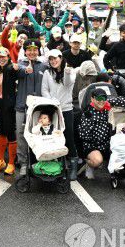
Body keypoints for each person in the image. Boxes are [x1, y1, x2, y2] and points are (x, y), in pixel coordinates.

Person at [41, 48, 78, 180]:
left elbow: (68, 84)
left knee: (68, 136)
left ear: (61, 58)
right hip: (52, 109)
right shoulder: (47, 73)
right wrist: (51, 101)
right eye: (51, 59)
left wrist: (66, 72)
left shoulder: (70, 71)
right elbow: (44, 89)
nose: (53, 61)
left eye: (56, 58)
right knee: (53, 136)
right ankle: (57, 164)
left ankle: (73, 163)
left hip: (66, 109)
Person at [15, 39, 48, 177]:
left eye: (35, 50)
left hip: (39, 107)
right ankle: (23, 162)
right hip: (21, 106)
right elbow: (16, 72)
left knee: (39, 133)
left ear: (39, 51)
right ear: (25, 51)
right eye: (29, 49)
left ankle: (39, 161)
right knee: (21, 134)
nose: (32, 52)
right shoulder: (19, 65)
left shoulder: (44, 66)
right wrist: (24, 70)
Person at [0, 48, 19, 175]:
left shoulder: (11, 68)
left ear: (8, 58)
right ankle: (0, 160)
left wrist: (16, 67)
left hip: (10, 106)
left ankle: (11, 163)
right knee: (1, 131)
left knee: (10, 132)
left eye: (4, 57)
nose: (1, 59)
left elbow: (16, 73)